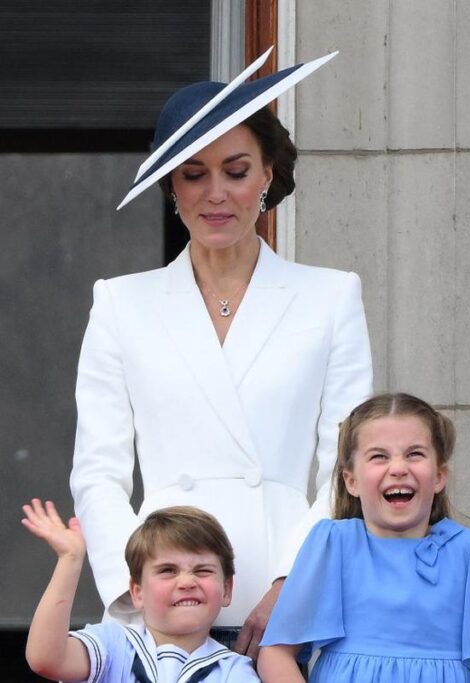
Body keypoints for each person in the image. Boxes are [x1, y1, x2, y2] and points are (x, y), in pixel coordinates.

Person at [69, 46, 373, 659]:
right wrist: (139, 592)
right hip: (159, 604)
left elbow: (350, 465)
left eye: (235, 171)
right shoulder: (120, 304)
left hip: (284, 600)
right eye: (193, 172)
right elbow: (97, 474)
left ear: (267, 175)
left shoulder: (331, 296)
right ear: (169, 185)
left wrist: (295, 581)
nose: (216, 194)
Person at [258, 392, 470, 682]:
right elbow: (276, 653)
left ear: (439, 476)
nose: (398, 468)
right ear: (351, 480)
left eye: (414, 454)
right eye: (379, 456)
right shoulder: (333, 545)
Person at [23, 501, 259, 682]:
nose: (187, 581)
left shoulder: (233, 670)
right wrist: (70, 559)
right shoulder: (113, 645)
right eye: (168, 570)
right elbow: (46, 659)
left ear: (226, 589)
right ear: (138, 592)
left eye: (202, 570)